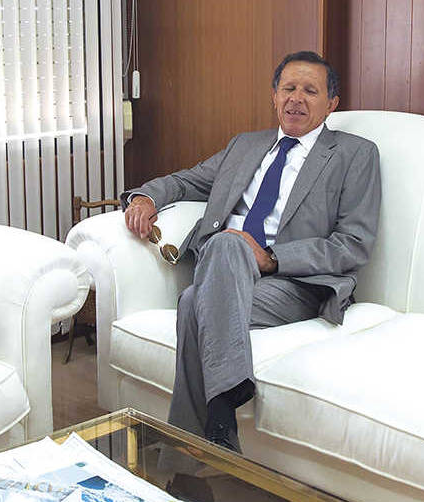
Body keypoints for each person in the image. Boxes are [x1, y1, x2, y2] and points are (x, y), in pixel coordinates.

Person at [123, 51, 381, 452]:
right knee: (224, 247)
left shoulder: (355, 154)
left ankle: (208, 427)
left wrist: (273, 258)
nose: (296, 98)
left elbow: (353, 244)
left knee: (194, 300)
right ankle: (216, 428)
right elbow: (187, 181)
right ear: (274, 96)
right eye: (288, 88)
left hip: (293, 283)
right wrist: (144, 198)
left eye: (310, 91)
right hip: (226, 270)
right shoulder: (245, 146)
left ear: (332, 104)